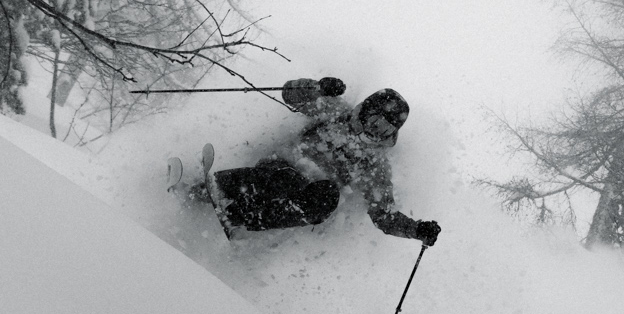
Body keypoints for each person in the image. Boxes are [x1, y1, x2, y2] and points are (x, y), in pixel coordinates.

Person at [172, 77, 441, 244]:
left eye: (384, 129)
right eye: (374, 121)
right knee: (284, 178)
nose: (374, 131)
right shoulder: (337, 113)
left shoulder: (375, 164)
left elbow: (383, 215)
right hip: (281, 167)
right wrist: (318, 88)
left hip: (307, 197)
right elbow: (290, 95)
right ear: (365, 111)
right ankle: (203, 191)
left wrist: (416, 229)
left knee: (328, 195)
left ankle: (240, 219)